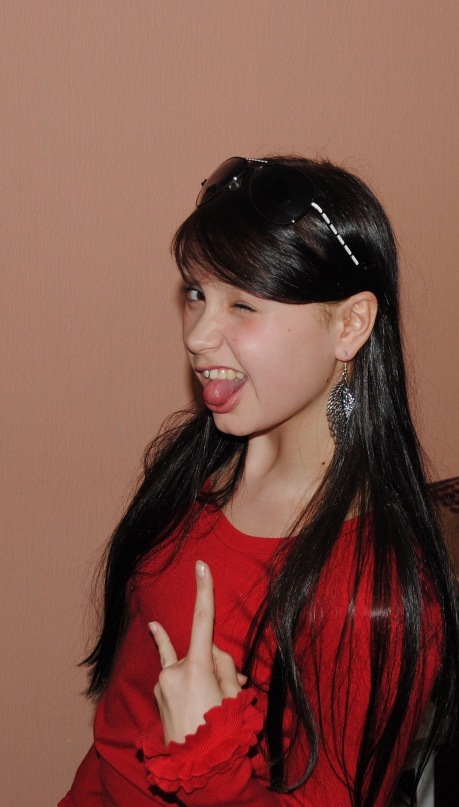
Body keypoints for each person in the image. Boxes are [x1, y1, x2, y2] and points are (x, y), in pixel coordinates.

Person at [59, 156, 459, 807]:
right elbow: (123, 718)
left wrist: (207, 757)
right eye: (196, 293)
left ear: (350, 324)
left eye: (242, 304)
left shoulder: (370, 591)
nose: (198, 335)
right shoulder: (195, 463)